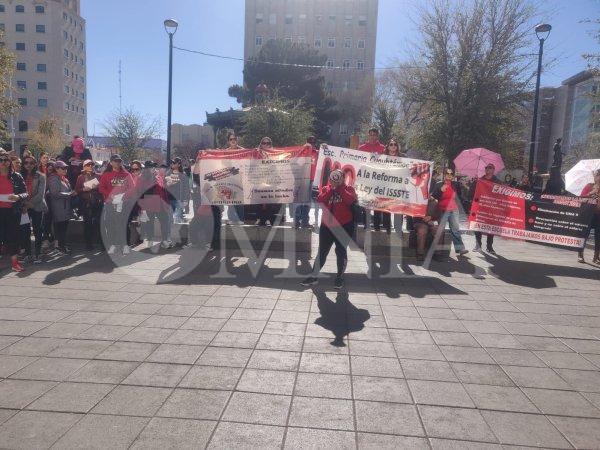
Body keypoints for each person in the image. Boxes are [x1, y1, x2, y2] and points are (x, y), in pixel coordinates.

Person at [301, 169, 358, 290]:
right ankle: (313, 276)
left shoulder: (349, 189)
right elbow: (321, 200)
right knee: (322, 252)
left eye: (339, 177)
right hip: (327, 227)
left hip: (344, 226)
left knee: (341, 252)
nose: (335, 179)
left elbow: (349, 200)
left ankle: (339, 277)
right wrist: (332, 188)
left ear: (343, 178)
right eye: (333, 177)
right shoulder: (326, 189)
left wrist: (339, 188)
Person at [99, 154, 135, 255]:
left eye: (119, 161)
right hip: (110, 204)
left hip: (124, 203)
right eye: (115, 161)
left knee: (123, 224)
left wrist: (122, 196)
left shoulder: (126, 174)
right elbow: (101, 188)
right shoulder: (106, 175)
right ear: (111, 162)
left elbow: (132, 188)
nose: (118, 163)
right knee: (111, 225)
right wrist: (111, 196)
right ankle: (112, 245)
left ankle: (125, 245)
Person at [0, 150, 29, 272]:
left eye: (6, 160)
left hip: (13, 211)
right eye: (1, 160)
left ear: (9, 162)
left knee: (13, 237)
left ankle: (14, 263)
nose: (3, 162)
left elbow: (25, 193)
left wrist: (18, 197)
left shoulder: (17, 176)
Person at [430, 168, 469, 257]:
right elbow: (433, 196)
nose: (449, 175)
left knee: (455, 229)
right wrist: (441, 190)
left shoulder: (456, 184)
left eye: (451, 174)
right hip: (442, 210)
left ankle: (460, 249)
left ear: (453, 176)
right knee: (440, 231)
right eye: (447, 173)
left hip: (453, 209)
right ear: (444, 175)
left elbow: (459, 196)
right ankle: (439, 251)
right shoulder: (438, 184)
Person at [138, 162, 173, 249]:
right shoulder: (142, 179)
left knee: (165, 221)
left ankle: (165, 240)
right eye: (151, 167)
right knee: (150, 223)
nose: (154, 169)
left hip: (161, 204)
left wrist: (166, 202)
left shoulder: (158, 176)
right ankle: (150, 240)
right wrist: (142, 208)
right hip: (149, 204)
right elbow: (139, 193)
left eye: (154, 167)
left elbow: (163, 190)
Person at [20, 156, 47, 263]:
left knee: (37, 230)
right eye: (26, 163)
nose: (29, 165)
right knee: (25, 231)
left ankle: (38, 253)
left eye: (31, 163)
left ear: (35, 164)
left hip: (37, 206)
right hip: (24, 207)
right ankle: (27, 254)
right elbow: (18, 192)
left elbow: (41, 194)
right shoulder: (20, 175)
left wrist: (30, 204)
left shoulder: (41, 176)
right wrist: (24, 204)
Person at [470, 163, 500, 254]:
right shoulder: (479, 181)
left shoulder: (498, 182)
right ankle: (478, 245)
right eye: (486, 168)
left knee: (491, 227)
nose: (487, 169)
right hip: (480, 207)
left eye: (490, 168)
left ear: (493, 170)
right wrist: (474, 184)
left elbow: (501, 195)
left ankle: (489, 247)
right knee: (477, 226)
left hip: (492, 208)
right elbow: (471, 193)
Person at [47, 160, 75, 255]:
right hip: (58, 207)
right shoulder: (53, 178)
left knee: (63, 227)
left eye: (66, 168)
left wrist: (71, 193)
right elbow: (54, 193)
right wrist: (69, 194)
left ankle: (62, 246)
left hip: (65, 206)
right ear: (57, 169)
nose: (65, 169)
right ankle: (60, 247)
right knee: (60, 228)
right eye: (63, 168)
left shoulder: (63, 178)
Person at [75, 160, 103, 251]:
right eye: (87, 165)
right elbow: (77, 190)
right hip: (86, 202)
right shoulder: (80, 177)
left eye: (91, 165)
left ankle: (102, 243)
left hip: (98, 202)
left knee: (99, 223)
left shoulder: (98, 175)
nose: (90, 166)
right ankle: (88, 244)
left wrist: (97, 187)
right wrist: (83, 189)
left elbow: (103, 187)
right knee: (87, 224)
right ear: (84, 166)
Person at [578, 169, 600, 264]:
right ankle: (580, 254)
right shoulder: (589, 186)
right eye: (598, 175)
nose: (599, 178)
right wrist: (591, 194)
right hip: (589, 215)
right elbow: (581, 199)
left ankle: (596, 257)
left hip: (599, 215)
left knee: (599, 237)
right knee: (584, 234)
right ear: (595, 177)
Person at [225, 132, 246, 223]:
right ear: (228, 141)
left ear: (237, 140)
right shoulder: (225, 152)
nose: (233, 141)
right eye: (231, 139)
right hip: (229, 179)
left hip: (240, 179)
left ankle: (240, 219)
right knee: (230, 200)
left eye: (234, 139)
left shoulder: (243, 150)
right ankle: (232, 219)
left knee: (239, 200)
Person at [166, 157, 190, 224]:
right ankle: (169, 233)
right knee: (169, 218)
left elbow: (186, 188)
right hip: (169, 199)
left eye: (174, 163)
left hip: (179, 199)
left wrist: (186, 199)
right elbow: (165, 185)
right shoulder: (168, 173)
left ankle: (175, 233)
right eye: (172, 163)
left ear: (179, 165)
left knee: (177, 219)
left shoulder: (183, 175)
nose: (172, 164)